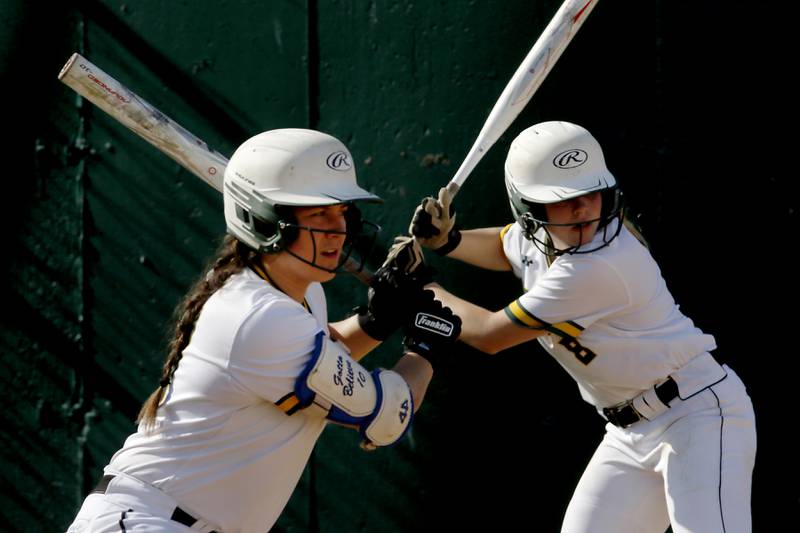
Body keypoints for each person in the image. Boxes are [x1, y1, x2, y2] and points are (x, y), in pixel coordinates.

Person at [66, 128, 460, 533]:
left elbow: (322, 360)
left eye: (341, 211)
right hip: (150, 521)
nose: (337, 229)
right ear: (265, 219)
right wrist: (426, 347)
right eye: (318, 213)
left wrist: (376, 321)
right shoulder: (260, 317)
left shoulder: (298, 294)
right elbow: (385, 417)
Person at [407, 121, 756, 533]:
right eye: (565, 198)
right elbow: (507, 245)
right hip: (630, 432)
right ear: (529, 210)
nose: (583, 208)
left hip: (696, 414)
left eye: (592, 192)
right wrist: (449, 240)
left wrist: (420, 290)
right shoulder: (541, 236)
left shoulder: (600, 262)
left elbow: (489, 335)